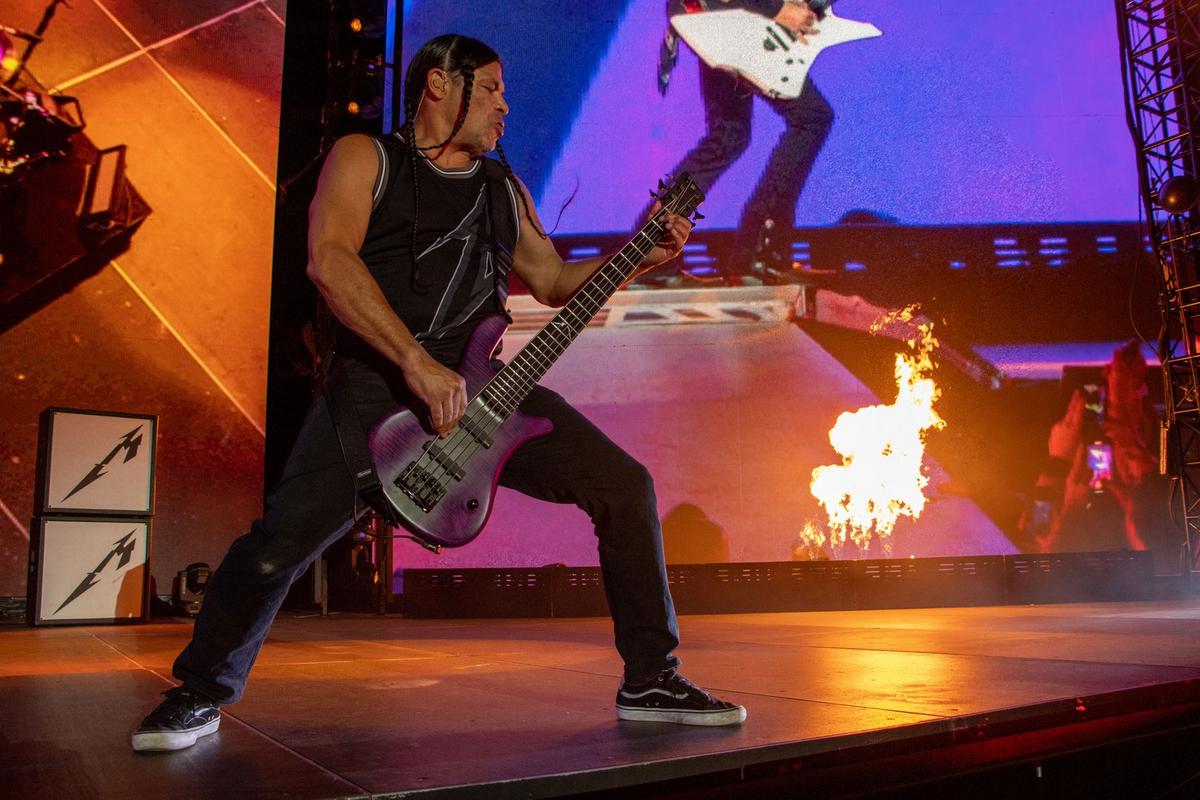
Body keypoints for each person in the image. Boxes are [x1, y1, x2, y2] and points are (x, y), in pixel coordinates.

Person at [131, 33, 746, 753]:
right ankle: (199, 691)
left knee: (625, 486)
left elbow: (552, 281)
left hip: (487, 396)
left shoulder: (502, 190)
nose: (505, 106)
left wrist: (638, 255)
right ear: (437, 84)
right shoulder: (366, 158)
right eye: (491, 88)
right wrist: (414, 362)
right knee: (275, 549)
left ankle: (651, 677)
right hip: (377, 391)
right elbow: (329, 260)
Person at [655, 0, 833, 278]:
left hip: (716, 17)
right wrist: (777, 9)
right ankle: (760, 251)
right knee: (811, 118)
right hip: (730, 16)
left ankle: (653, 253)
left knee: (729, 137)